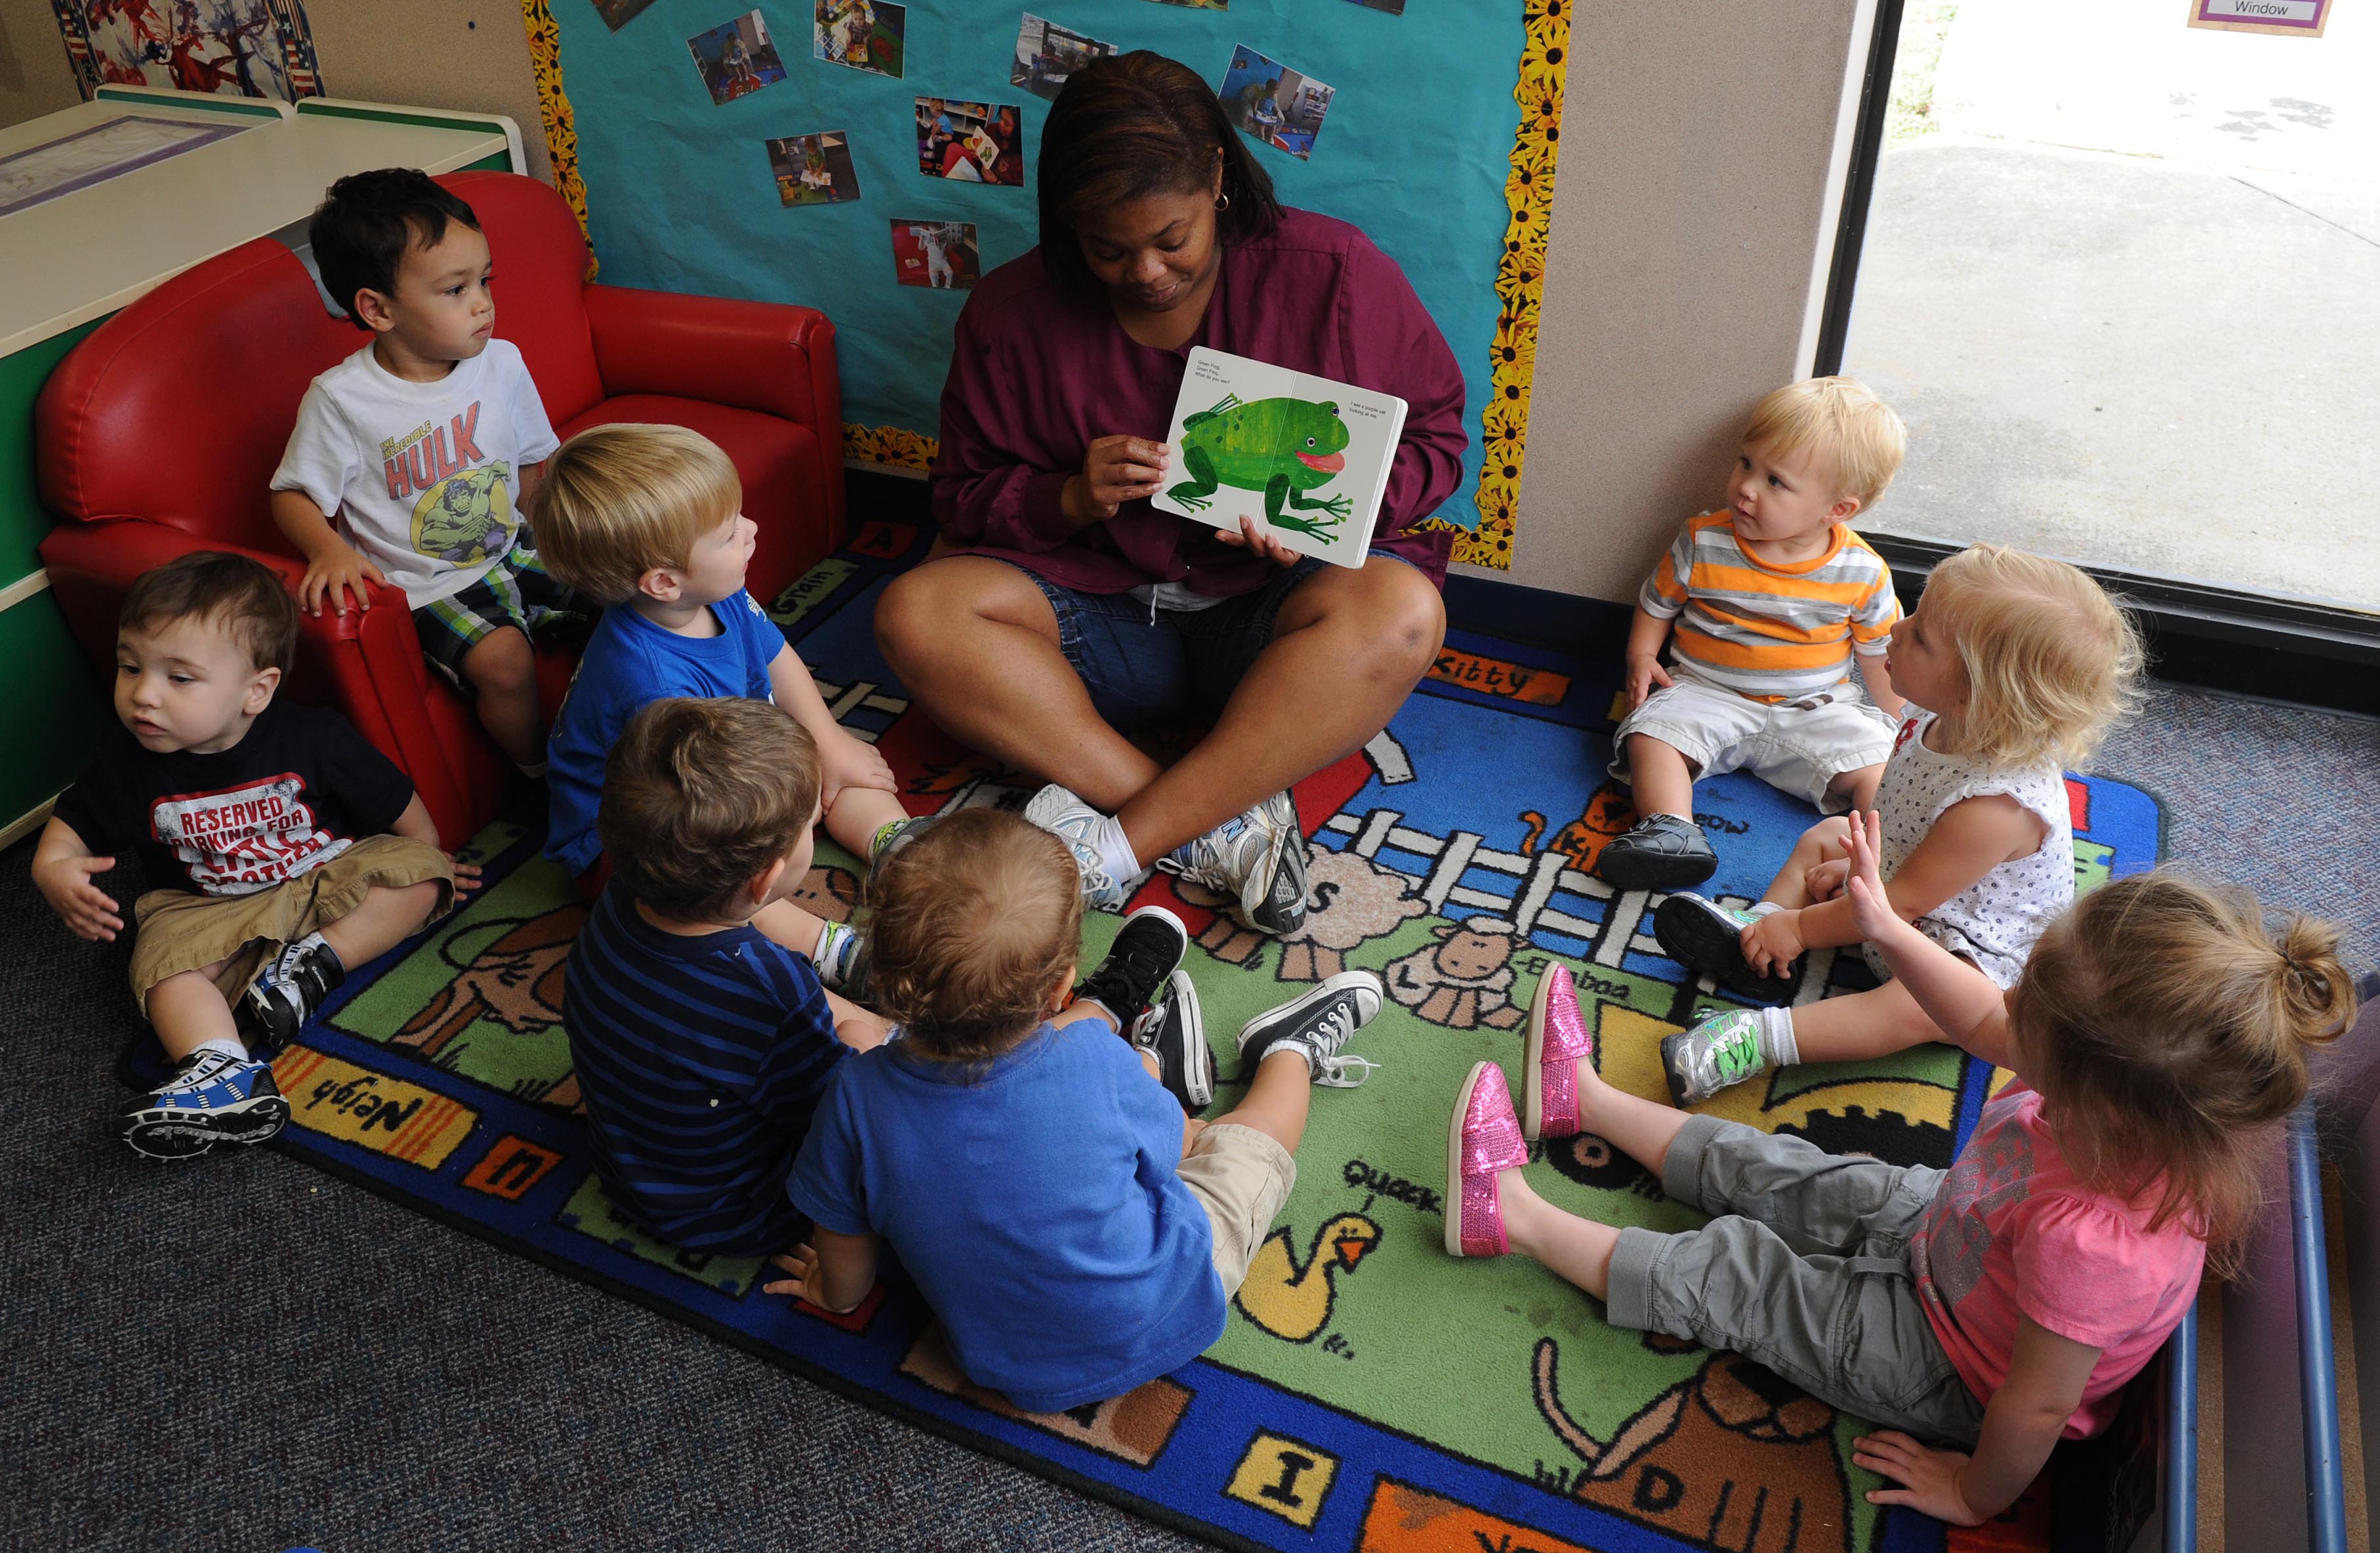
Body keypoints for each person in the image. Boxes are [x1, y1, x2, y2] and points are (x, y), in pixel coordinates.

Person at [1457, 812, 2352, 1527]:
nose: (2007, 1008)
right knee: (1781, 1166)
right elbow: (1977, 1018)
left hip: (1947, 1363)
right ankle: (1582, 1102)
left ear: (2096, 1094)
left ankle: (1512, 1218)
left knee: (1745, 1279)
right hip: (1952, 1235)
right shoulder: (2122, 1095)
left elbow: (2036, 1409)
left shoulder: (2098, 1245)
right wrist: (1883, 924)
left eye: (2028, 1007)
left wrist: (1971, 1493)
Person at [874, 51, 1464, 942]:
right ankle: (1220, 824)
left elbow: (1438, 441)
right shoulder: (1011, 311)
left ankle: (1124, 844)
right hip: (1100, 621)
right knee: (915, 612)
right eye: (1108, 249)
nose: (1146, 271)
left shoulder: (1334, 271)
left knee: (1404, 612)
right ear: (1068, 222)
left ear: (1218, 178)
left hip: (1272, 624)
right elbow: (961, 495)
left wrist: (1321, 522)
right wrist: (1069, 497)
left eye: (1171, 238)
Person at [771, 808, 1385, 1412]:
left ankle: (1159, 1062)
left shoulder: (854, 1095)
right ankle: (1288, 1051)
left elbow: (845, 1252)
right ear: (1062, 985)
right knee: (1251, 1145)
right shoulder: (1089, 1054)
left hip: (1011, 1368)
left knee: (1110, 1117)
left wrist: (834, 1294)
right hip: (1170, 1301)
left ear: (876, 969)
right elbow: (1174, 1153)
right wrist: (1179, 1127)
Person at [1653, 546, 2142, 1104]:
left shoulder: (1995, 807)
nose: (1896, 629)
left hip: (1966, 953)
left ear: (1979, 695)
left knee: (1914, 1006)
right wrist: (1857, 867)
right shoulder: (1936, 715)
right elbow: (1902, 822)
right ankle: (1757, 935)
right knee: (1826, 836)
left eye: (1921, 637)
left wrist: (1807, 927)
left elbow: (1898, 906)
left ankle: (1756, 1039)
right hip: (1908, 891)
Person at [31, 552, 466, 1160]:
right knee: (162, 967)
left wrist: (429, 854)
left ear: (256, 691)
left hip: (322, 879)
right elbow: (68, 831)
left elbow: (396, 801)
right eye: (130, 667)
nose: (143, 695)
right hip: (206, 909)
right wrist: (53, 871)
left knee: (422, 874)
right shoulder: (123, 763)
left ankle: (314, 966)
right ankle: (222, 1071)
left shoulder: (313, 737)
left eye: (179, 678)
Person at [533, 423, 913, 982]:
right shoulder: (653, 685)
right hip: (651, 831)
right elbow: (701, 809)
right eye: (730, 532)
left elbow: (776, 654)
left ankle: (902, 846)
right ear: (664, 582)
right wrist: (798, 797)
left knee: (842, 766)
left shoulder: (715, 590)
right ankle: (836, 951)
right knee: (714, 900)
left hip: (733, 762)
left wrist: (829, 742)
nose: (752, 529)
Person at [271, 169, 576, 779]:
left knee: (626, 577)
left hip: (514, 542)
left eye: (485, 280)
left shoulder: (502, 363)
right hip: (430, 583)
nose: (483, 303)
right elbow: (293, 496)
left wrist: (564, 536)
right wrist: (328, 550)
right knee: (505, 663)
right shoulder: (343, 399)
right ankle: (543, 774)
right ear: (377, 309)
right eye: (455, 289)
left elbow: (531, 464)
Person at [564, 697, 888, 1254]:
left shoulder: (621, 894)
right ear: (766, 880)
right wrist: (863, 1044)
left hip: (627, 1172)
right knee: (878, 1071)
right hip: (743, 1209)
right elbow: (834, 1115)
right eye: (810, 823)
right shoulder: (770, 989)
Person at [1597, 377, 1910, 892]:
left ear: (1837, 509)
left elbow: (1878, 657)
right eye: (1746, 464)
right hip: (1706, 693)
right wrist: (1642, 656)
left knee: (1881, 761)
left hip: (1817, 708)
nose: (1746, 487)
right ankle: (1671, 831)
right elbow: (1657, 603)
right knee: (1650, 735)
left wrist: (1903, 724)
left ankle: (1887, 853)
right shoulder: (1703, 539)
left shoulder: (1863, 570)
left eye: (1775, 481)